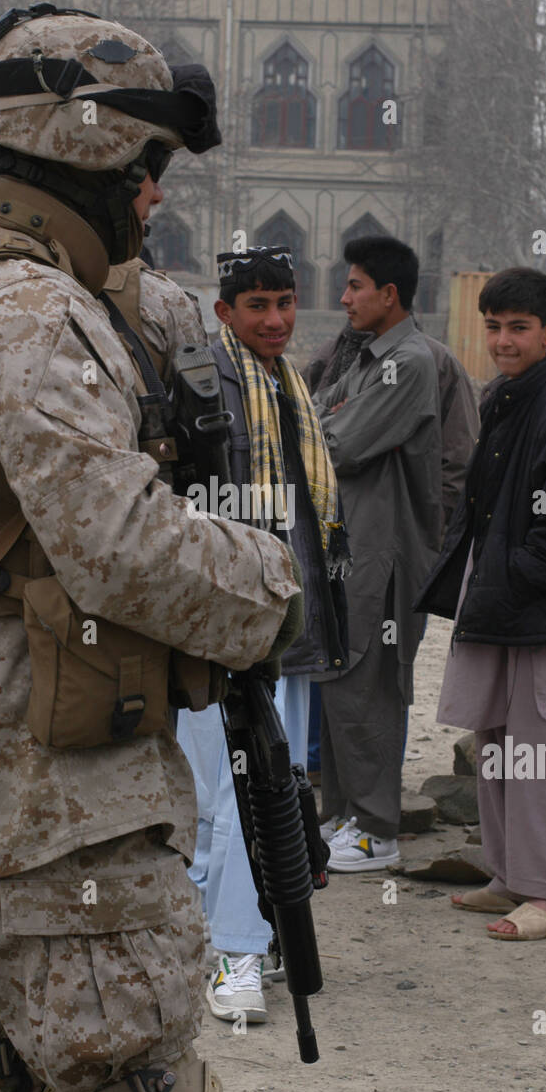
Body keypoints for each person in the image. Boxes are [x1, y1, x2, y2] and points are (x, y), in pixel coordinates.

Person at [0, 6, 302, 1092]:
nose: (155, 197)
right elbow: (113, 541)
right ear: (83, 153)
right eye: (145, 169)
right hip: (58, 788)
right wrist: (272, 588)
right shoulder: (30, 308)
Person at [175, 246, 347, 1024]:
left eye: (284, 302)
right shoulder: (204, 389)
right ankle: (233, 953)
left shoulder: (289, 385)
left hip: (290, 626)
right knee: (225, 791)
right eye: (257, 307)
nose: (274, 320)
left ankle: (239, 941)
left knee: (265, 787)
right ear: (223, 313)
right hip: (225, 625)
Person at [418, 268, 546, 940]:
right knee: (496, 741)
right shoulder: (507, 396)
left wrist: (517, 578)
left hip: (542, 613)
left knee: (535, 750)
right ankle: (509, 877)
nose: (504, 341)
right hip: (503, 602)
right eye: (495, 327)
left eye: (520, 328)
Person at [312, 236, 441, 871]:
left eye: (356, 286)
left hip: (383, 553)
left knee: (371, 685)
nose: (344, 297)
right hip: (351, 547)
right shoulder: (363, 356)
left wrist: (321, 424)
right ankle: (343, 813)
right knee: (339, 681)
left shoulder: (408, 363)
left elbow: (329, 443)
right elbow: (316, 419)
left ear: (389, 295)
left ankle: (378, 829)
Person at [306, 310, 479, 537]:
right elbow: (301, 423)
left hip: (396, 537)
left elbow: (459, 457)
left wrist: (432, 529)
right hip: (326, 523)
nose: (347, 298)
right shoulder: (330, 355)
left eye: (357, 287)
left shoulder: (435, 362)